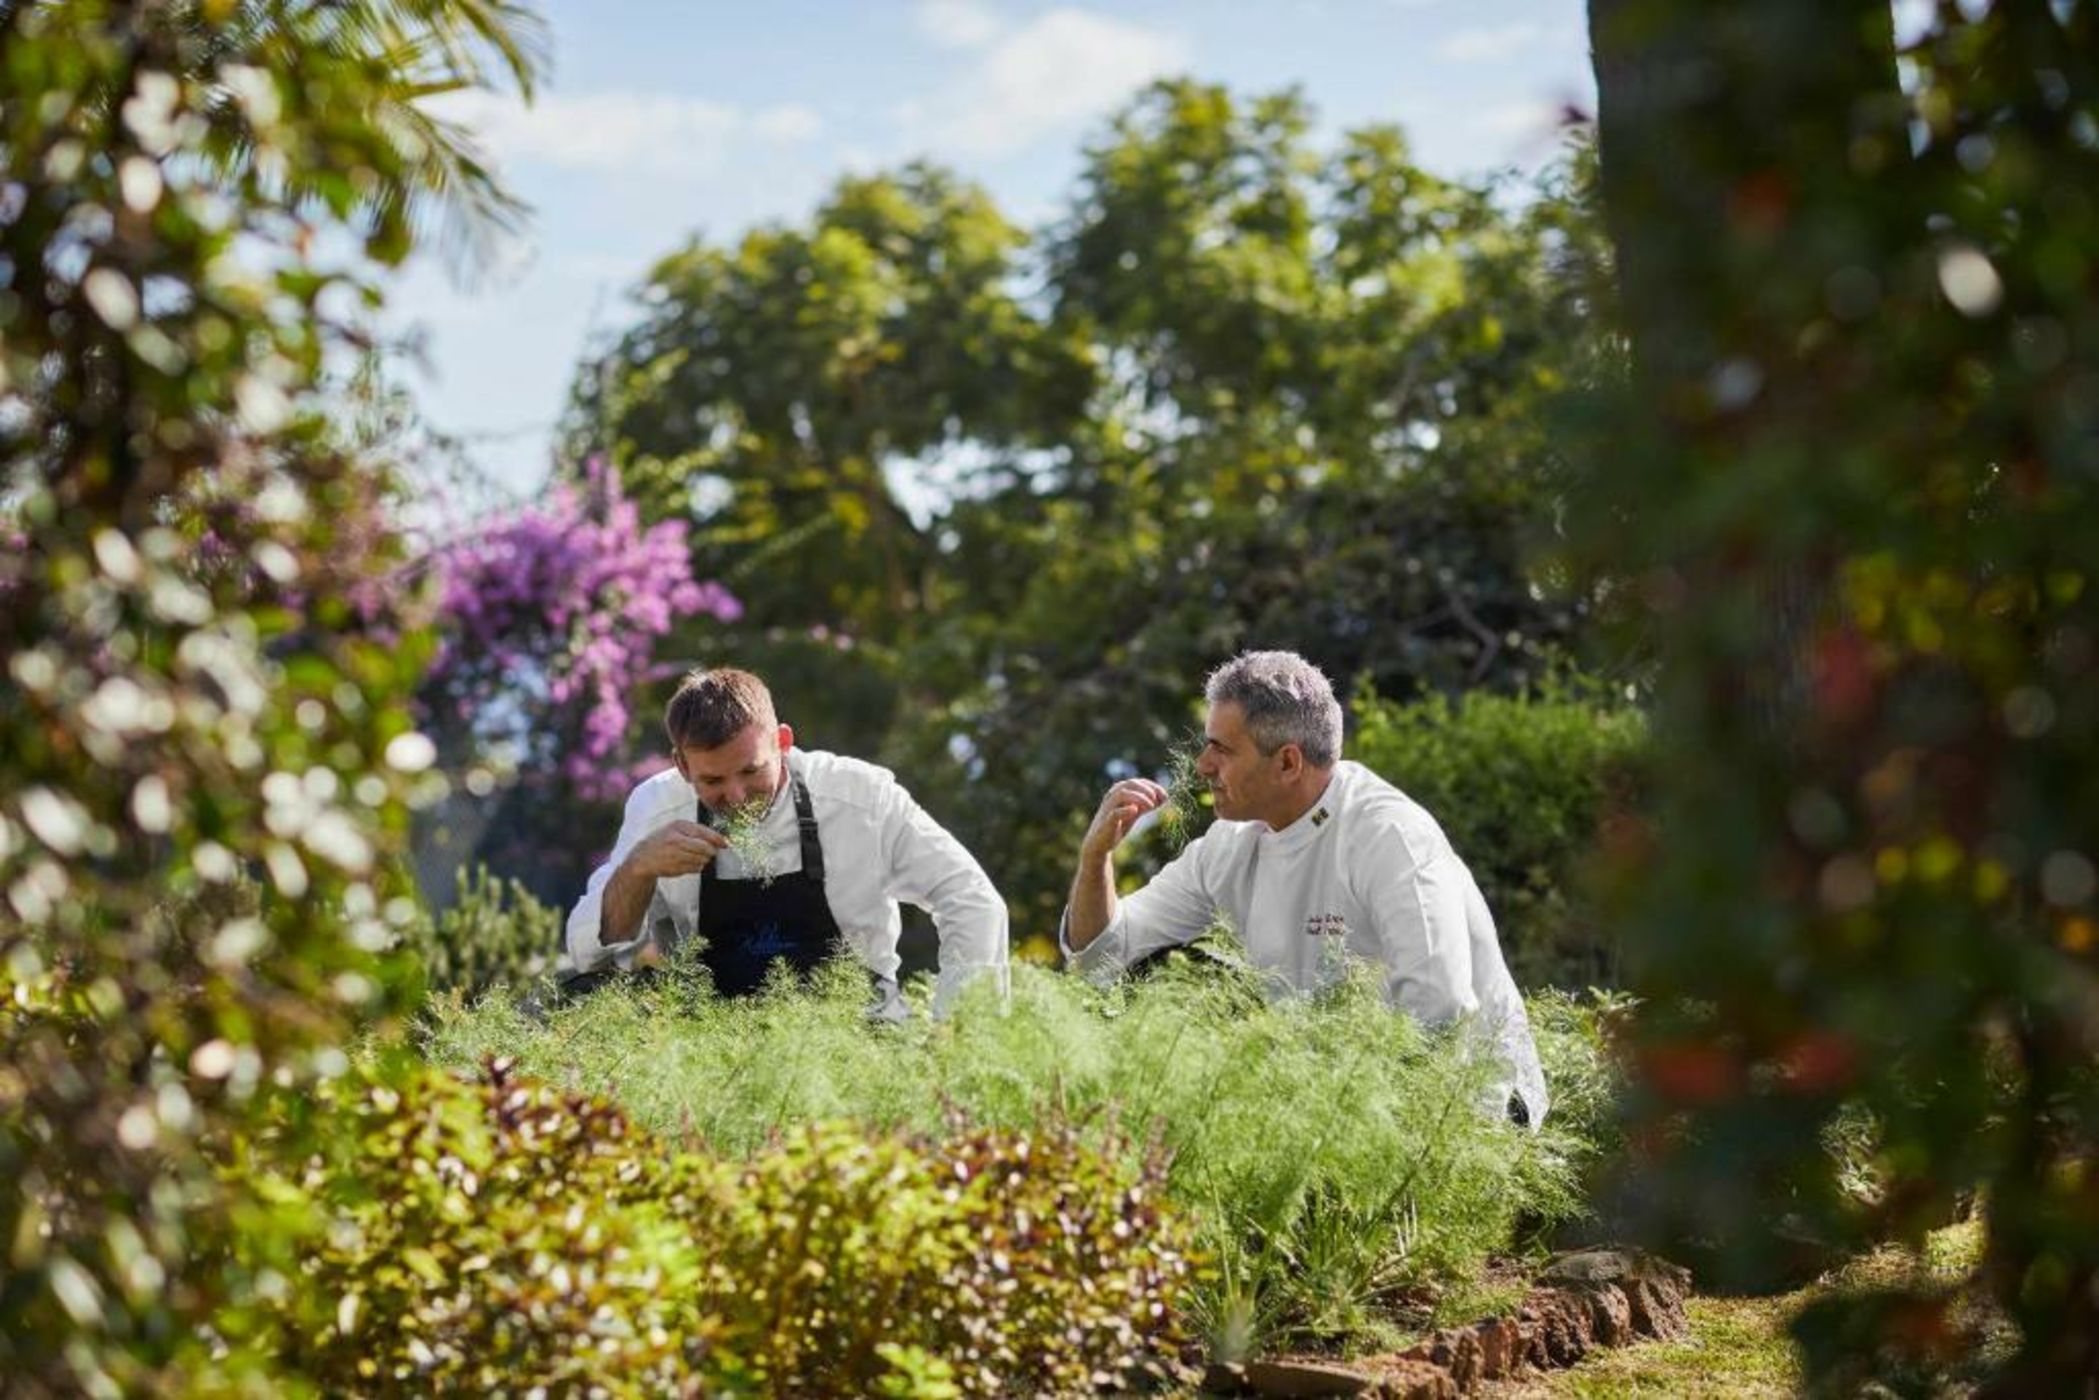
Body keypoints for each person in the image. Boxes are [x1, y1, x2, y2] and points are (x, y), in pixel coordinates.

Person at [1062, 650, 1548, 1126]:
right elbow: (1105, 954)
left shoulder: (1389, 835)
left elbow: (1437, 1014)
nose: (1203, 766)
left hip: (1471, 1117)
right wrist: (1095, 859)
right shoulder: (1229, 843)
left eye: (1223, 749)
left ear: (1289, 763)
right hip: (1335, 1113)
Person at [564, 667, 1008, 1018]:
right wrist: (638, 868)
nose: (736, 796)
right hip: (710, 1046)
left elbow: (969, 897)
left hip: (861, 1031)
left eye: (751, 771)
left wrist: (960, 1031)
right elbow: (591, 955)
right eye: (713, 780)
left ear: (782, 741)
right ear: (682, 766)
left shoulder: (860, 797)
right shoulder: (657, 808)